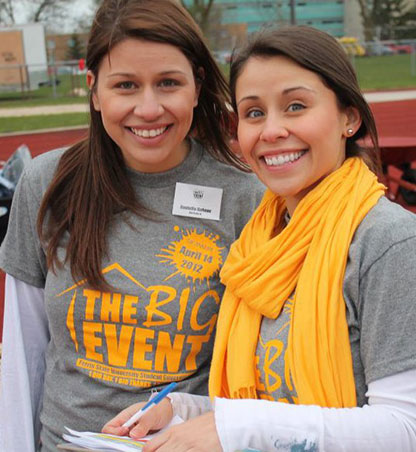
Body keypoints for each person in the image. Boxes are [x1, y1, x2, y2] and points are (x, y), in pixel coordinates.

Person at [103, 26, 416, 452]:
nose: (271, 131)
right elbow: (270, 400)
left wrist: (234, 429)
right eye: (253, 113)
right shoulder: (259, 241)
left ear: (350, 116)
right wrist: (181, 410)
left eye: (295, 106)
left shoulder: (387, 241)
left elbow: (404, 428)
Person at [0, 0, 265, 451]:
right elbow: (23, 349)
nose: (148, 108)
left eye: (168, 83)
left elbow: (263, 362)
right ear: (94, 90)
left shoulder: (247, 197)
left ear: (197, 87)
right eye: (125, 85)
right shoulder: (47, 182)